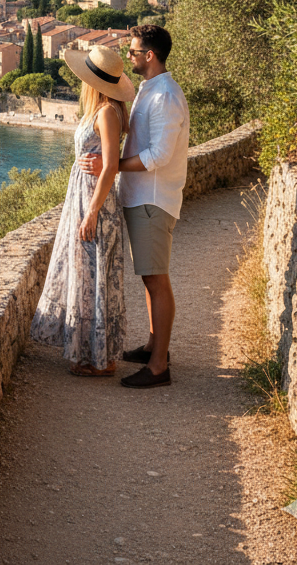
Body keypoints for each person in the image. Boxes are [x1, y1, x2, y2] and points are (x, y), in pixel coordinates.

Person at [80, 24, 189, 389]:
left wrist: (110, 167)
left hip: (153, 199)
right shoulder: (149, 90)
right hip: (140, 197)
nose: (129, 57)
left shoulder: (166, 97)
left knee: (157, 280)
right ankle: (154, 346)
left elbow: (159, 155)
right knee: (149, 275)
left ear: (150, 56)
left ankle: (159, 367)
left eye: (133, 51)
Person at [30, 45, 134, 376]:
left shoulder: (106, 113)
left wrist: (92, 212)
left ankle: (101, 361)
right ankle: (92, 354)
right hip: (84, 197)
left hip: (95, 202)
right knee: (89, 274)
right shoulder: (101, 110)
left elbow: (110, 166)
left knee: (94, 274)